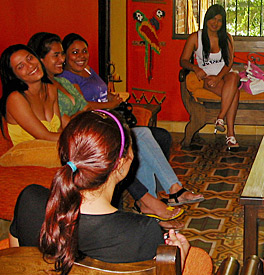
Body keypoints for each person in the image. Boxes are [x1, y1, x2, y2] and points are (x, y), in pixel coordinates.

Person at [8, 111, 192, 275]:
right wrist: (174, 265)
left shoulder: (29, 200)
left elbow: (18, 273)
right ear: (122, 163)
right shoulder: (141, 231)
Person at [26, 32, 190, 227]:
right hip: (83, 134)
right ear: (40, 58)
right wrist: (102, 112)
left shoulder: (60, 83)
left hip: (91, 127)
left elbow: (82, 108)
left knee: (150, 138)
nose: (61, 59)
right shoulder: (38, 90)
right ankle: (152, 200)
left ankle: (153, 200)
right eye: (57, 55)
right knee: (120, 149)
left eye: (62, 54)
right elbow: (63, 121)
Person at [58, 33, 204, 213]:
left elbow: (102, 91)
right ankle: (168, 191)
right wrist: (111, 104)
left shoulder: (88, 70)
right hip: (98, 125)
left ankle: (153, 196)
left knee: (159, 136)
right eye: (74, 52)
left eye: (84, 51)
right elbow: (85, 105)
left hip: (112, 119)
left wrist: (112, 97)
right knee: (140, 136)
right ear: (65, 56)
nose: (81, 56)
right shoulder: (68, 77)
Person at [179, 4, 240, 148]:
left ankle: (220, 118)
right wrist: (195, 68)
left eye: (219, 20)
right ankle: (230, 135)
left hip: (223, 76)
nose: (215, 23)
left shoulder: (227, 38)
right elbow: (183, 60)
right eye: (212, 19)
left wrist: (218, 77)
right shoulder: (196, 37)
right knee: (235, 93)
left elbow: (229, 63)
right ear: (206, 19)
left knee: (234, 77)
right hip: (207, 78)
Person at [0, 44, 63, 145]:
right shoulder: (15, 98)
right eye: (21, 66)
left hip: (53, 152)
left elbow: (59, 130)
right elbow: (45, 136)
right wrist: (82, 137)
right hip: (28, 157)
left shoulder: (51, 89)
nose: (30, 65)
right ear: (14, 75)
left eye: (30, 58)